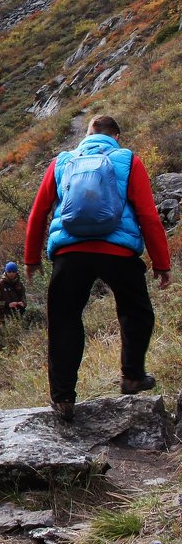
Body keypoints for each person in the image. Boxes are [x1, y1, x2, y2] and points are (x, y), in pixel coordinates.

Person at [24, 115, 171, 421]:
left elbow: (38, 213)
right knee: (136, 312)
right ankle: (132, 375)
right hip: (118, 252)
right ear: (116, 135)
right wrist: (161, 263)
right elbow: (148, 215)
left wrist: (32, 259)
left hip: (70, 253)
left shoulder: (62, 162)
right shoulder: (127, 161)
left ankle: (63, 399)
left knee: (64, 321)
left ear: (87, 135)